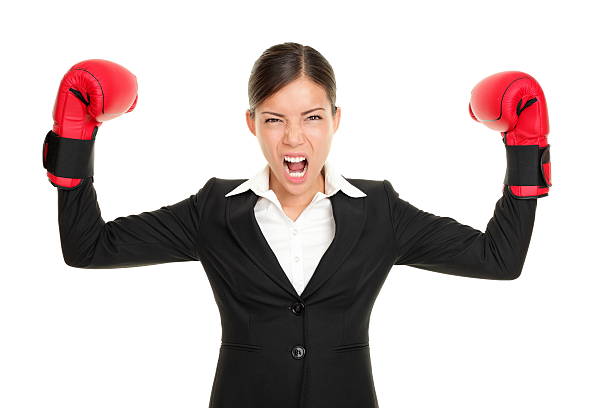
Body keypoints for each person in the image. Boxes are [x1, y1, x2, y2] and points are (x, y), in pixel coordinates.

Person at [42, 42, 551, 408]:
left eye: (311, 118)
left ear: (335, 120)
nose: (293, 139)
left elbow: (499, 259)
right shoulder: (213, 208)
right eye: (273, 118)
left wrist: (525, 150)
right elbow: (88, 247)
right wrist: (74, 139)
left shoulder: (379, 209)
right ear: (252, 123)